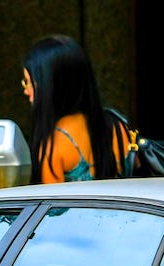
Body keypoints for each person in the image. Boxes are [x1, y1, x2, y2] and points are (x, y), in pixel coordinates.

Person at [21, 34, 125, 184]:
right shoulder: (119, 127)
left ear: (50, 86)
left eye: (29, 83)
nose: (26, 91)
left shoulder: (53, 145)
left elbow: (54, 204)